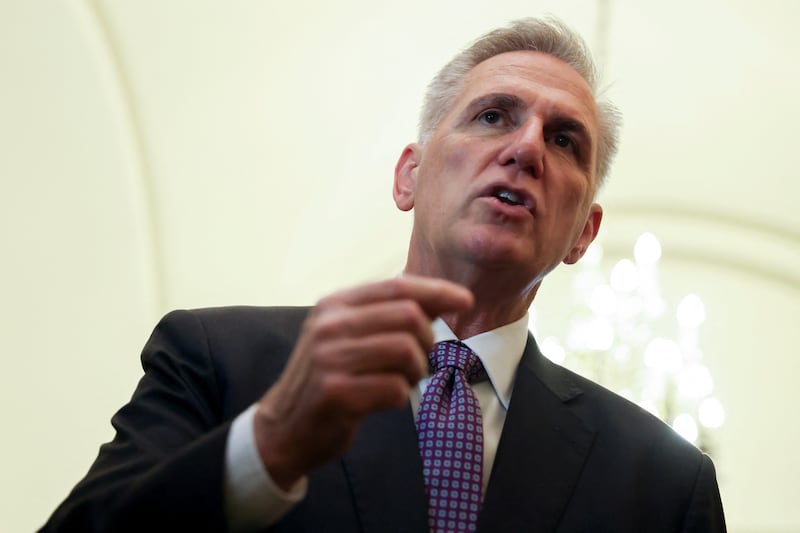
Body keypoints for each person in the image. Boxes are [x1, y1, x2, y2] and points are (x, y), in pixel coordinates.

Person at [42, 17, 726, 532]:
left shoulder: (665, 480)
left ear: (584, 232)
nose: (524, 148)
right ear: (410, 175)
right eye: (493, 116)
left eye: (563, 139)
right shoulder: (218, 361)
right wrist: (268, 443)